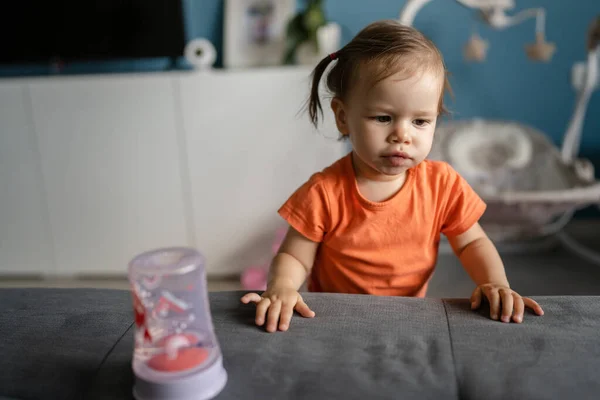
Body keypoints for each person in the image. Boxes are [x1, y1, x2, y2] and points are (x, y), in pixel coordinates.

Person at [241, 20, 544, 332]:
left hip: (408, 316)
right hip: (335, 319)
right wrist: (282, 287)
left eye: (421, 121)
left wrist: (495, 283)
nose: (402, 135)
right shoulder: (324, 191)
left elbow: (472, 243)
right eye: (383, 118)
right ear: (343, 117)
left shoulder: (442, 185)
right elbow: (295, 256)